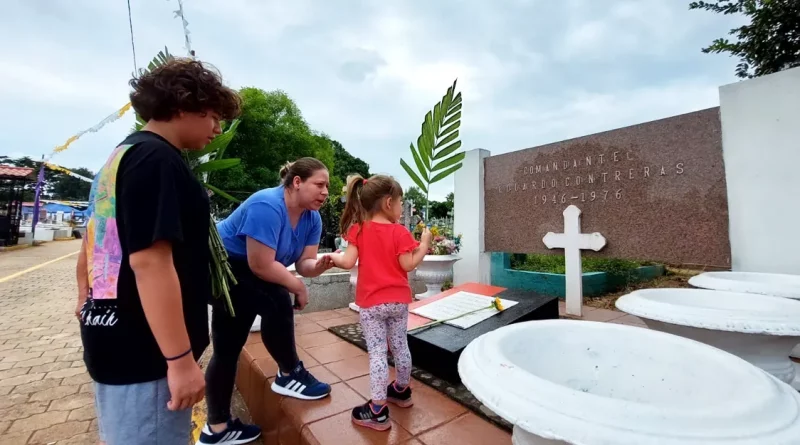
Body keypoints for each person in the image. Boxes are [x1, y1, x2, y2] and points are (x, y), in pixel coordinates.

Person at [76, 58, 241, 444]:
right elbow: (150, 261)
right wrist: (180, 361)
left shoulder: (121, 156)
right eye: (214, 116)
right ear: (184, 104)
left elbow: (93, 238)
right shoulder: (158, 160)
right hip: (147, 355)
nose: (217, 129)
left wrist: (85, 297)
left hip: (114, 339)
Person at [199, 157, 336, 444]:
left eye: (327, 186)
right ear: (296, 182)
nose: (325, 192)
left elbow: (304, 263)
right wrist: (297, 287)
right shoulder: (267, 205)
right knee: (276, 297)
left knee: (228, 347)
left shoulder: (312, 216)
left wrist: (321, 265)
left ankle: (217, 429)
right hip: (222, 267)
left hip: (246, 270)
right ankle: (289, 373)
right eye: (319, 185)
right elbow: (261, 265)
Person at [331, 175, 431, 431]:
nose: (401, 207)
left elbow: (346, 262)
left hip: (372, 304)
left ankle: (377, 410)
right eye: (401, 203)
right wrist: (424, 246)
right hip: (398, 302)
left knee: (377, 353)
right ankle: (401, 389)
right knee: (400, 346)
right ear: (388, 203)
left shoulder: (360, 230)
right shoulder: (400, 232)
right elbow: (407, 265)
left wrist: (331, 257)